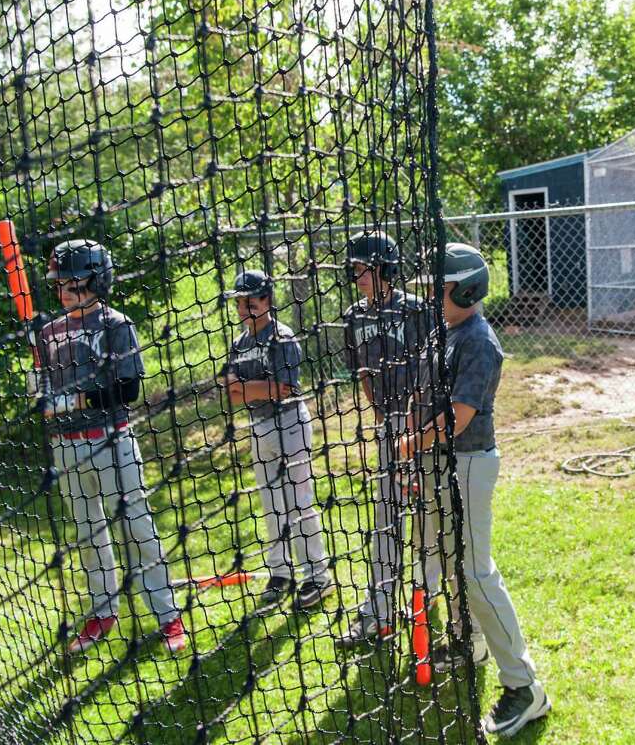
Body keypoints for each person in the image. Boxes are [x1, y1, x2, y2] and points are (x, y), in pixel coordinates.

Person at [399, 243, 551, 739]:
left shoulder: (478, 340)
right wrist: (414, 449)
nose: (431, 298)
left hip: (468, 463)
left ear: (466, 289)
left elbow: (459, 418)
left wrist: (410, 444)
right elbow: (426, 400)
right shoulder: (447, 333)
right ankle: (471, 640)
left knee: (475, 572)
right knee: (446, 558)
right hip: (443, 462)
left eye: (439, 289)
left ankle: (525, 686)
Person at [38, 239, 185, 653]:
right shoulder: (48, 331)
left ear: (96, 281)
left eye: (73, 281)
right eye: (59, 282)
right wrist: (43, 395)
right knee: (87, 534)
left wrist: (77, 399)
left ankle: (168, 616)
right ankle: (102, 613)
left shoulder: (116, 324)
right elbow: (45, 391)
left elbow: (129, 388)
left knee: (137, 528)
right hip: (65, 446)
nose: (64, 290)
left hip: (110, 439)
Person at [336, 231, 441, 649]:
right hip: (390, 425)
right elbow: (361, 371)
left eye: (362, 268)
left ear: (384, 269)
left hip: (422, 425)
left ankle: (429, 591)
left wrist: (410, 428)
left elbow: (429, 371)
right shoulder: (353, 316)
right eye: (355, 269)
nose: (357, 275)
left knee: (429, 513)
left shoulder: (416, 310)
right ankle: (378, 610)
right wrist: (383, 420)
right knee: (387, 514)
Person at [219, 269, 333, 614]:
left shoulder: (281, 337)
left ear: (267, 301)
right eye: (239, 303)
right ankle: (280, 572)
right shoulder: (239, 342)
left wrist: (246, 388)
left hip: (289, 423)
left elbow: (284, 388)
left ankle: (318, 575)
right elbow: (229, 389)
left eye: (249, 302)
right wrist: (249, 389)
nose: (242, 309)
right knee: (272, 504)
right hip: (259, 426)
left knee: (300, 502)